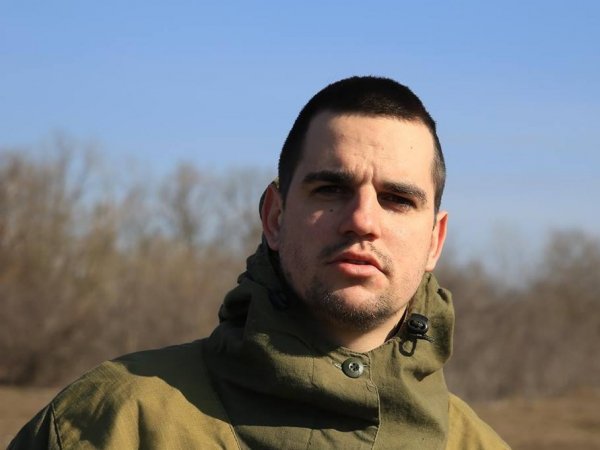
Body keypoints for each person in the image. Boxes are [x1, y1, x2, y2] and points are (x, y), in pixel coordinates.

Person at [10, 76, 509, 449]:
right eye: (330, 189)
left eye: (397, 199)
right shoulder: (116, 423)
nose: (362, 220)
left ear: (434, 240)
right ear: (275, 216)